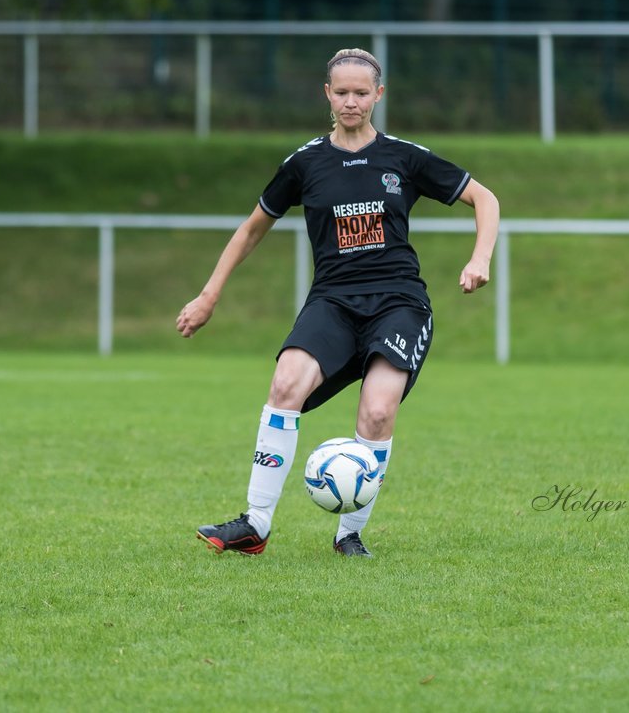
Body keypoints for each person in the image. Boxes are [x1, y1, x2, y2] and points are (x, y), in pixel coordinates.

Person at [177, 48, 500, 557]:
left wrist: (479, 258)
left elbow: (486, 198)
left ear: (379, 95)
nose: (352, 102)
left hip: (399, 302)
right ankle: (255, 526)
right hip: (332, 301)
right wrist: (208, 294)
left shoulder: (404, 157)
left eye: (362, 93)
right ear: (327, 95)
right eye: (342, 92)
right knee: (285, 384)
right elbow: (250, 230)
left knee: (375, 413)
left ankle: (349, 535)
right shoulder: (305, 164)